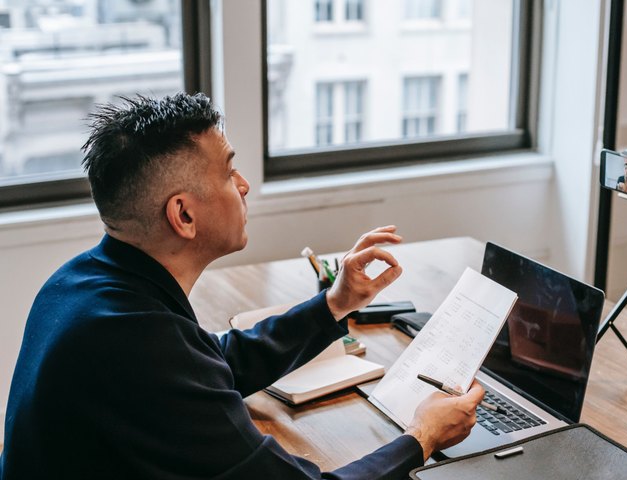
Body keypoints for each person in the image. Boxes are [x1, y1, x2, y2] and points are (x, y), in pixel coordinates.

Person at [0, 93, 484, 479]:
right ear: (184, 215)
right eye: (230, 172)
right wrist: (422, 437)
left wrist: (335, 303)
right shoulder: (136, 344)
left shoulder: (81, 283)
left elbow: (215, 360)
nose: (245, 185)